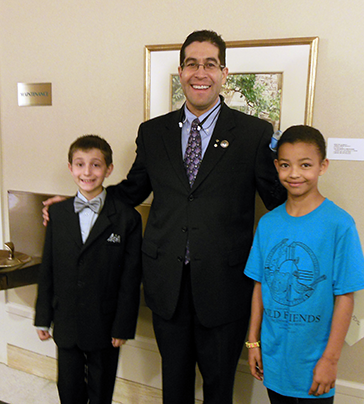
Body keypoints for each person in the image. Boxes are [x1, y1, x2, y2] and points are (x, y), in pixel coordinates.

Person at [43, 30, 286, 404]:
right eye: (192, 64)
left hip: (224, 283)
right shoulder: (153, 132)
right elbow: (133, 189)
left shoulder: (253, 133)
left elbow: (277, 200)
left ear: (224, 72)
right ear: (181, 70)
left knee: (219, 384)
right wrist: (81, 200)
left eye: (209, 64)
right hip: (166, 282)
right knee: (174, 382)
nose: (200, 72)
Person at [244, 125, 364, 403]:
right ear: (277, 166)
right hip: (274, 358)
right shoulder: (267, 224)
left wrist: (331, 359)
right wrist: (253, 342)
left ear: (323, 166)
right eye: (286, 165)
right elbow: (259, 285)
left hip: (315, 363)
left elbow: (345, 296)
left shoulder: (339, 224)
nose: (294, 174)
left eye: (305, 165)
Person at [35, 135, 142, 404]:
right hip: (67, 321)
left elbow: (130, 278)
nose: (87, 172)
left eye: (96, 165)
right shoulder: (57, 214)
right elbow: (47, 269)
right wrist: (42, 316)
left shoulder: (127, 217)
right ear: (70, 168)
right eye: (80, 164)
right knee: (68, 391)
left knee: (101, 391)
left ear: (109, 169)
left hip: (105, 325)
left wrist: (123, 326)